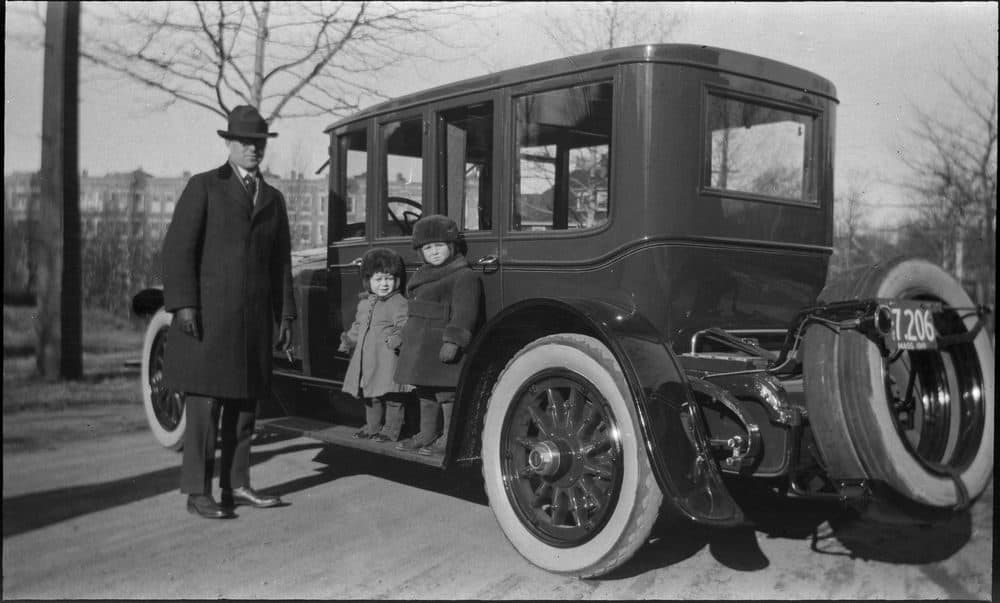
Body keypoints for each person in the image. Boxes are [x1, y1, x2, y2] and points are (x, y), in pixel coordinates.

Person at [161, 105, 296, 519]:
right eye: (244, 143)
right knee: (203, 409)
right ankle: (196, 493)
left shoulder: (272, 199)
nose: (252, 150)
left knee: (244, 410)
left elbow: (281, 265)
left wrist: (286, 315)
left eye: (258, 143)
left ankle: (237, 485)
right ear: (229, 144)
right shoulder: (203, 187)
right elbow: (177, 250)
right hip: (206, 320)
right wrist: (184, 305)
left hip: (253, 323)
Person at [394, 215, 482, 455]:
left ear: (451, 246)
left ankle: (448, 437)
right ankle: (427, 433)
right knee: (424, 391)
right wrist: (403, 334)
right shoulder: (422, 274)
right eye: (427, 247)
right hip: (420, 346)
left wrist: (453, 341)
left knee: (446, 394)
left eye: (439, 246)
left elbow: (465, 313)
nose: (433, 252)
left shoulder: (464, 275)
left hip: (440, 344)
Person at [338, 247, 409, 443]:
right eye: (378, 279)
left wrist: (398, 337)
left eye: (389, 278)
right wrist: (349, 340)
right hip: (368, 362)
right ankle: (372, 427)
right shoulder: (365, 304)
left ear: (397, 280)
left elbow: (404, 324)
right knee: (371, 396)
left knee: (393, 397)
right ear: (368, 281)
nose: (384, 284)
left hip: (388, 360)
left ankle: (391, 430)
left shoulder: (398, 302)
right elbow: (358, 326)